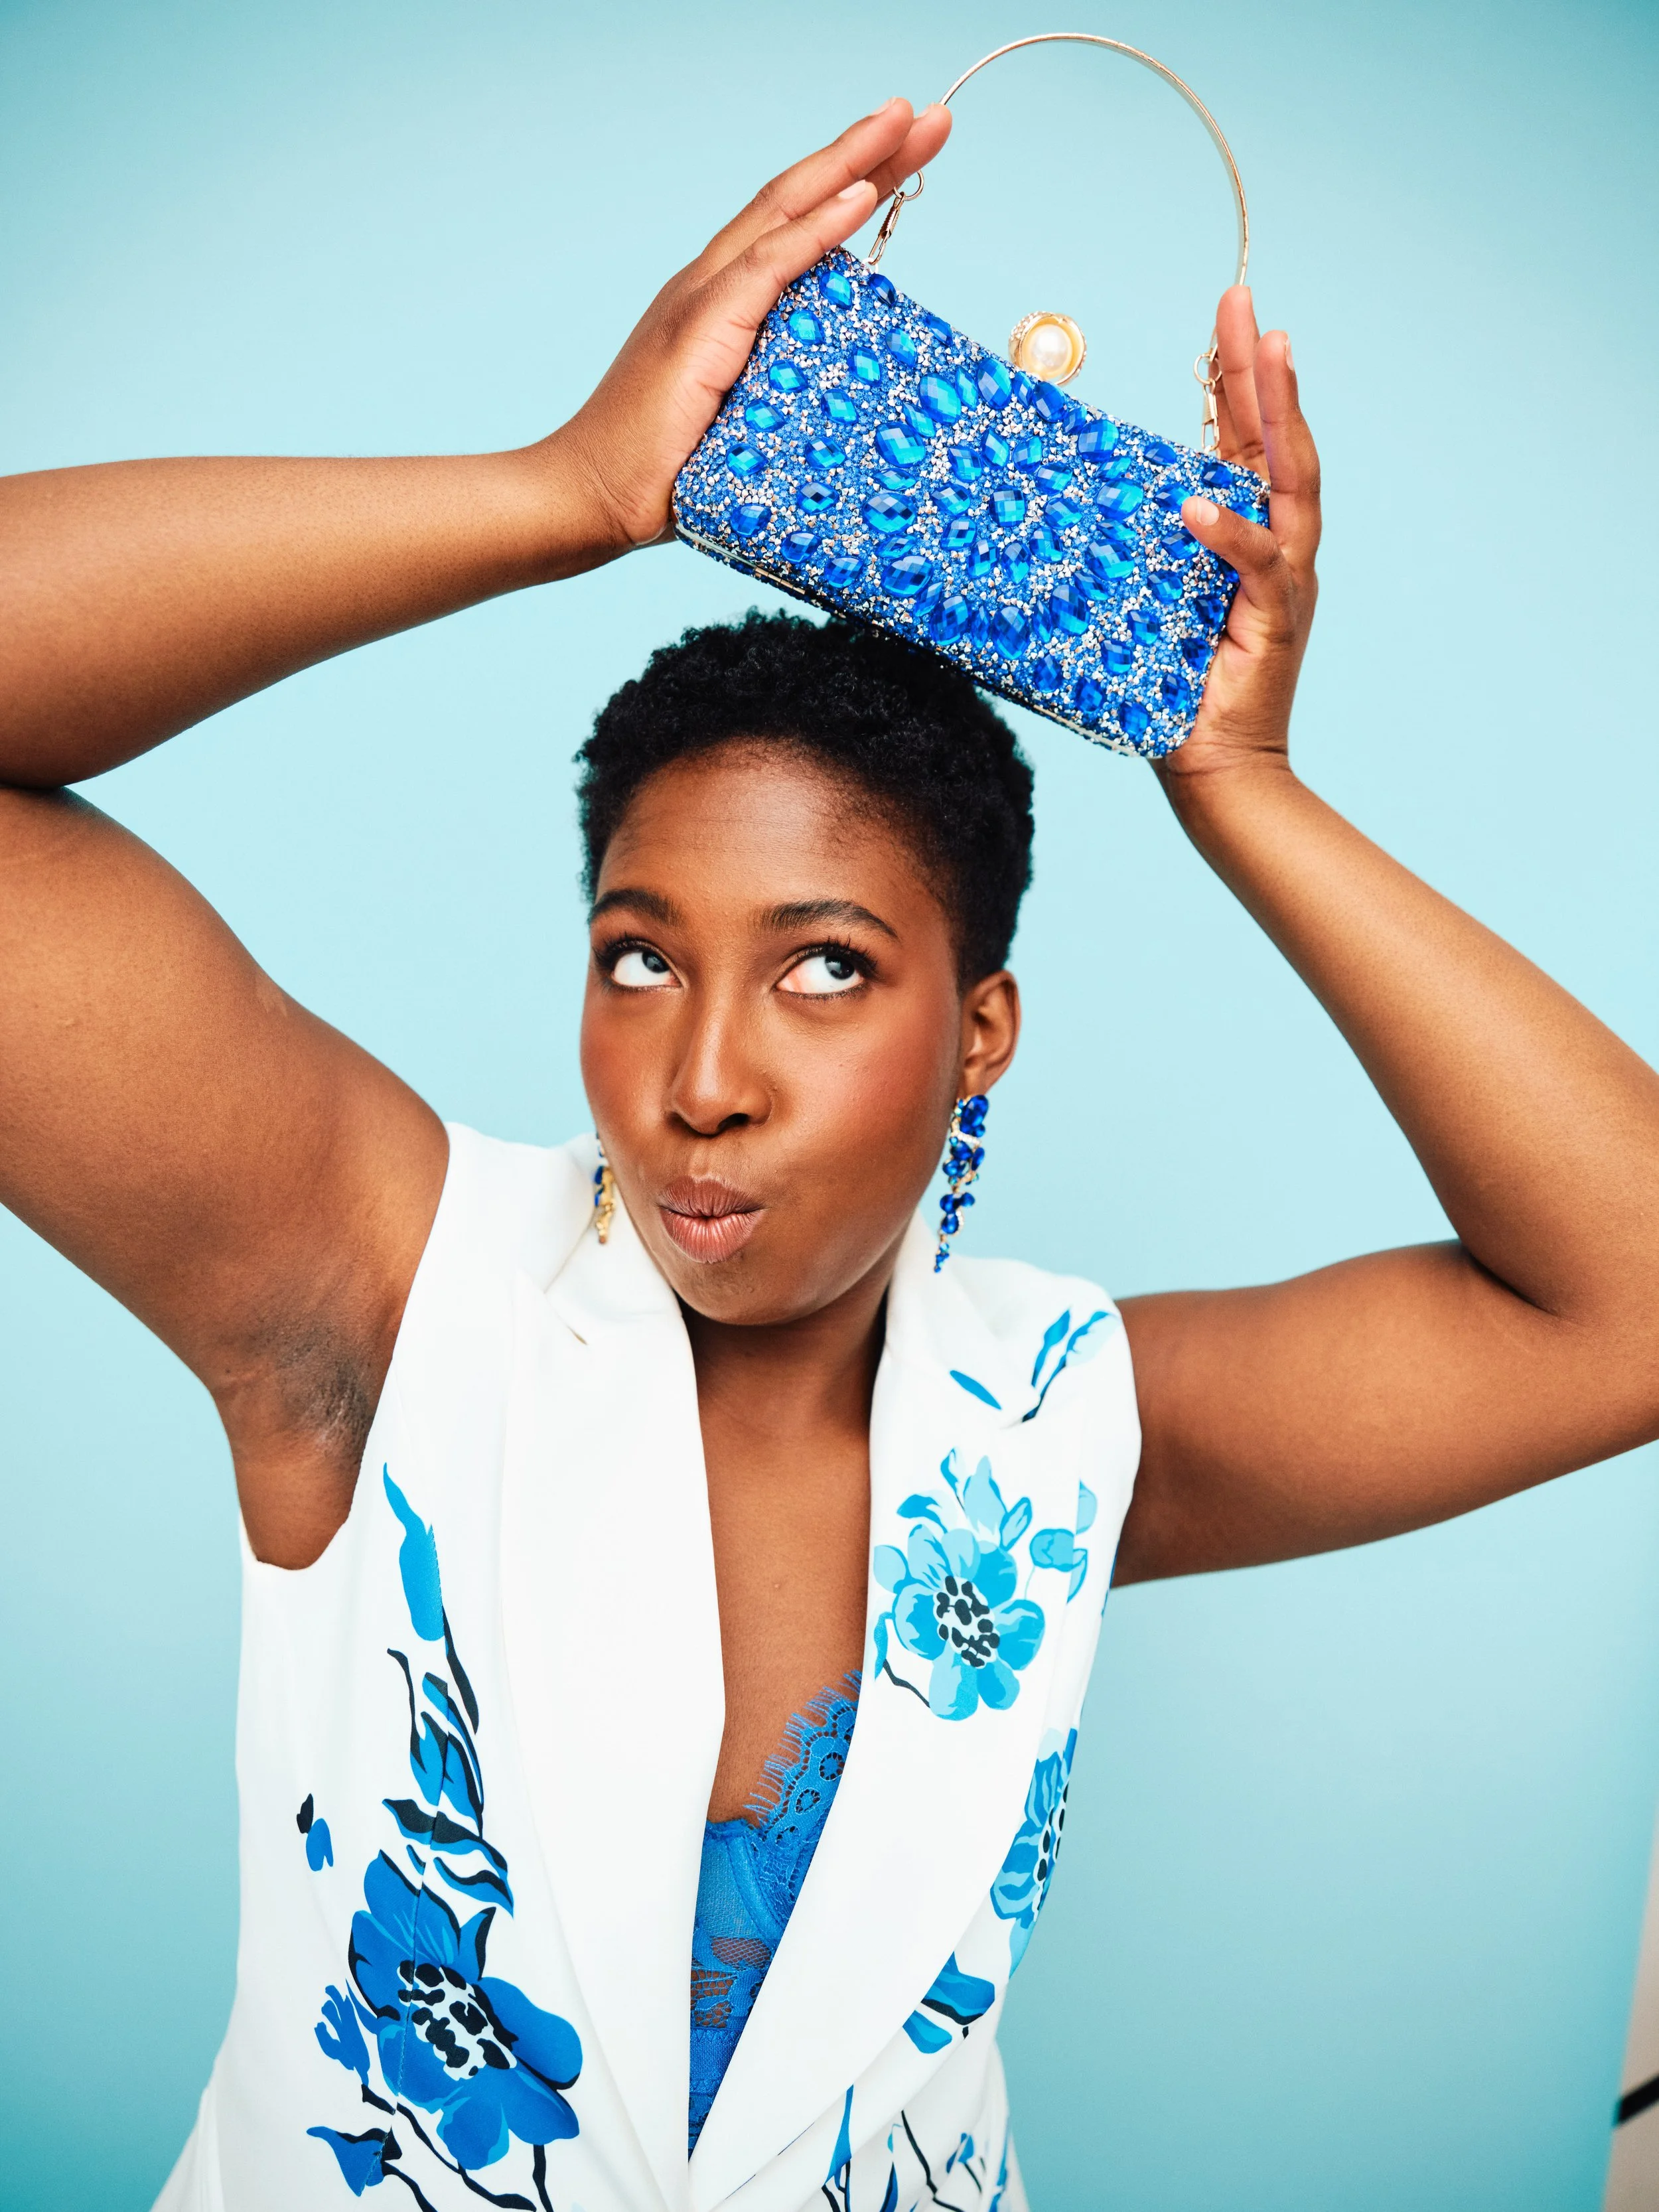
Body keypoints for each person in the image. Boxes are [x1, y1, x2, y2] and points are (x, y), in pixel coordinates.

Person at [3, 93, 1657, 2212]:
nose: (697, 1073)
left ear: (980, 1036)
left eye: (823, 970)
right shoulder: (379, 1292)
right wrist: (565, 490)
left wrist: (1235, 777)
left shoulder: (1062, 1430)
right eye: (635, 953)